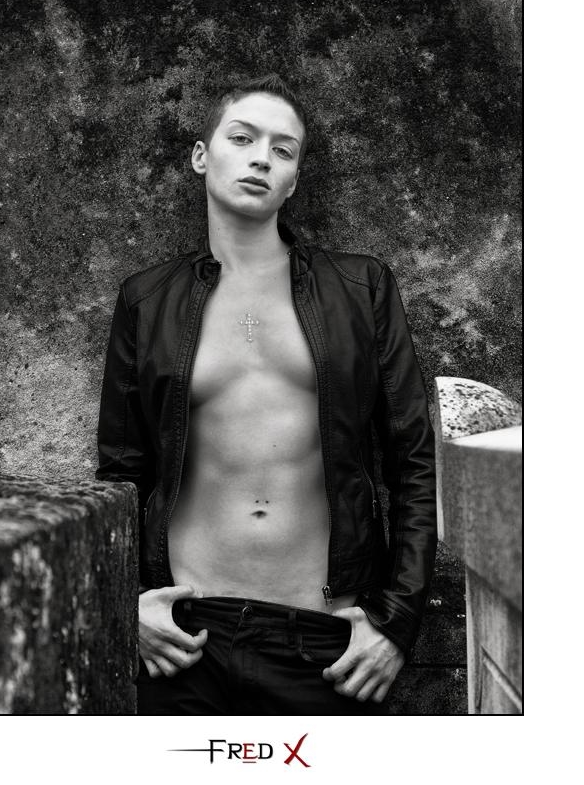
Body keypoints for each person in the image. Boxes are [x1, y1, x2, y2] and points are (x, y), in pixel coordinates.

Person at [96, 74, 437, 715]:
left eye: (283, 150)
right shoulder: (146, 299)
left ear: (294, 180)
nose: (262, 158)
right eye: (242, 138)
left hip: (327, 642)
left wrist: (396, 621)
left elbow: (413, 463)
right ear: (202, 156)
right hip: (182, 639)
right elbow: (121, 473)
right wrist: (125, 604)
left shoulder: (361, 288)